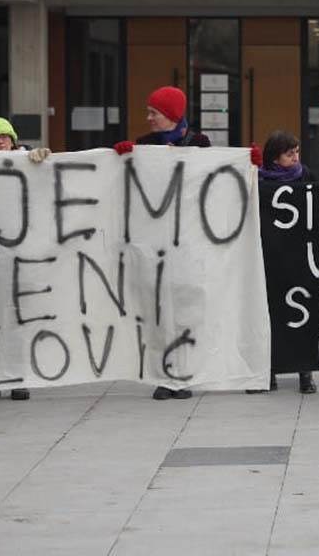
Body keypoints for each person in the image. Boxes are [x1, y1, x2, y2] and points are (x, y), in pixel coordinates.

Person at [115, 85, 210, 400]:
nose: (149, 118)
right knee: (159, 309)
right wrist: (120, 160)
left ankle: (184, 374)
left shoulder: (200, 143)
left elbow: (214, 179)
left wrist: (248, 165)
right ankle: (164, 375)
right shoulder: (143, 146)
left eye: (154, 112)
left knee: (185, 308)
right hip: (155, 241)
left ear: (171, 115)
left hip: (189, 239)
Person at [0, 116, 49, 403]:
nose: (1, 141)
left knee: (17, 317)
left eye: (5, 136)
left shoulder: (28, 160)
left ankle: (19, 378)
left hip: (19, 257)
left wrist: (44, 160)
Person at [257, 130, 317, 395]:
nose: (295, 158)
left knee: (302, 312)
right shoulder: (257, 179)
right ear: (274, 157)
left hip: (299, 254)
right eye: (289, 154)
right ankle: (270, 369)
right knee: (271, 313)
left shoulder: (306, 175)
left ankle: (305, 371)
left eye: (296, 152)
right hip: (269, 254)